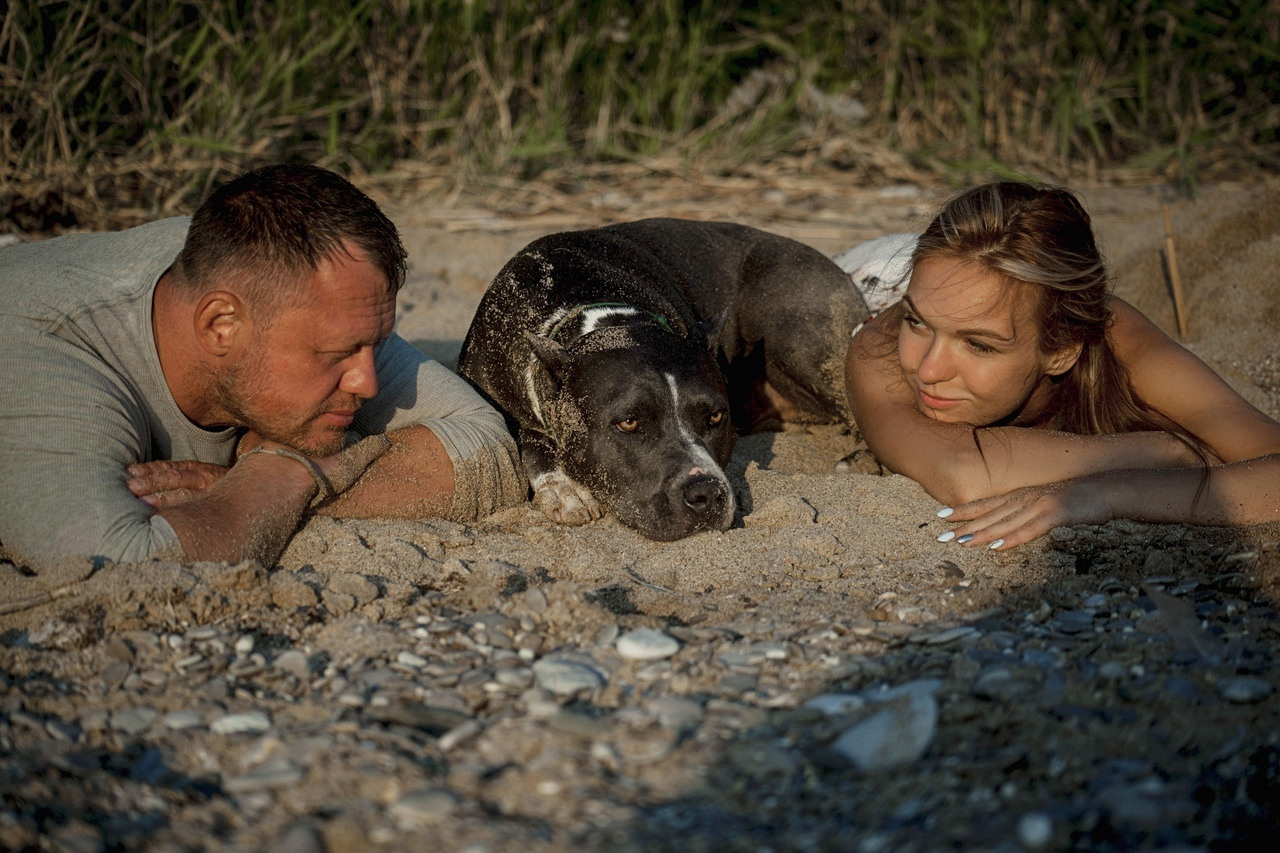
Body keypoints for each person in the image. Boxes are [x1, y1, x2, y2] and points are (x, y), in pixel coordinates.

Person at [0, 164, 523, 570]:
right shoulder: (45, 357)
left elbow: (488, 452)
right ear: (221, 326)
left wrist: (265, 478)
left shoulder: (300, 285)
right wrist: (279, 478)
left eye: (373, 347)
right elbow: (117, 569)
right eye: (337, 355)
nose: (367, 381)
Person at [842, 180, 1280, 550]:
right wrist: (1165, 450)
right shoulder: (877, 346)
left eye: (978, 346)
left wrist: (1112, 492)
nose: (929, 370)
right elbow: (963, 472)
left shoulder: (1111, 337)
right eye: (917, 324)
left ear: (1062, 351)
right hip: (873, 275)